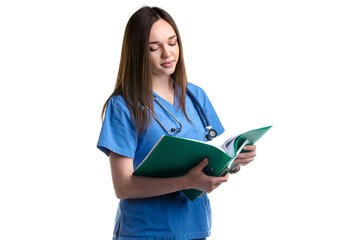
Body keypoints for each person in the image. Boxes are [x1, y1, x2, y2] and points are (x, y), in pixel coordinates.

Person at [97, 6, 257, 240]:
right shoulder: (123, 106)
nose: (167, 53)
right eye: (154, 48)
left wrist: (234, 161)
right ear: (137, 52)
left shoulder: (195, 96)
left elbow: (209, 161)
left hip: (194, 227)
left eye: (172, 43)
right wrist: (186, 181)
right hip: (145, 232)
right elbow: (123, 186)